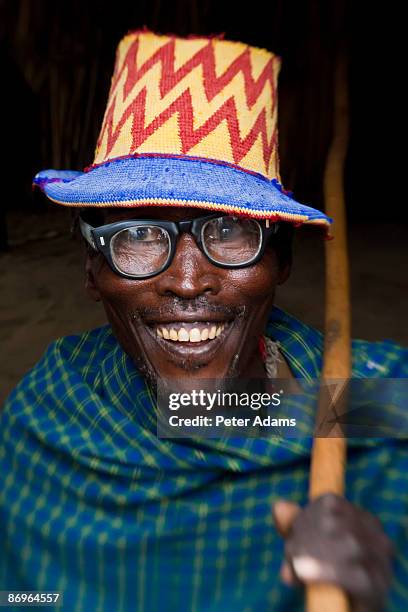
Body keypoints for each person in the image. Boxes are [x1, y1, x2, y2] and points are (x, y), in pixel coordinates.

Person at [1, 30, 407, 612]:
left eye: (229, 231)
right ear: (93, 271)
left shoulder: (379, 404)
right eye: (138, 236)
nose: (188, 282)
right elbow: (21, 596)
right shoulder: (52, 414)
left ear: (281, 261)